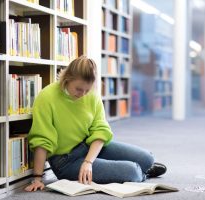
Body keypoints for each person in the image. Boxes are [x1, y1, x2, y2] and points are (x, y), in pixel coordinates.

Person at [24, 56, 166, 192]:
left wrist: (88, 162)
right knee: (132, 171)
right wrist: (37, 178)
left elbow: (101, 130)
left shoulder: (91, 94)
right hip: (66, 161)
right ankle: (140, 173)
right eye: (78, 89)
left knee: (147, 159)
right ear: (67, 79)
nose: (83, 94)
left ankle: (141, 168)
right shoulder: (47, 97)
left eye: (87, 90)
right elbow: (42, 140)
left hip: (89, 146)